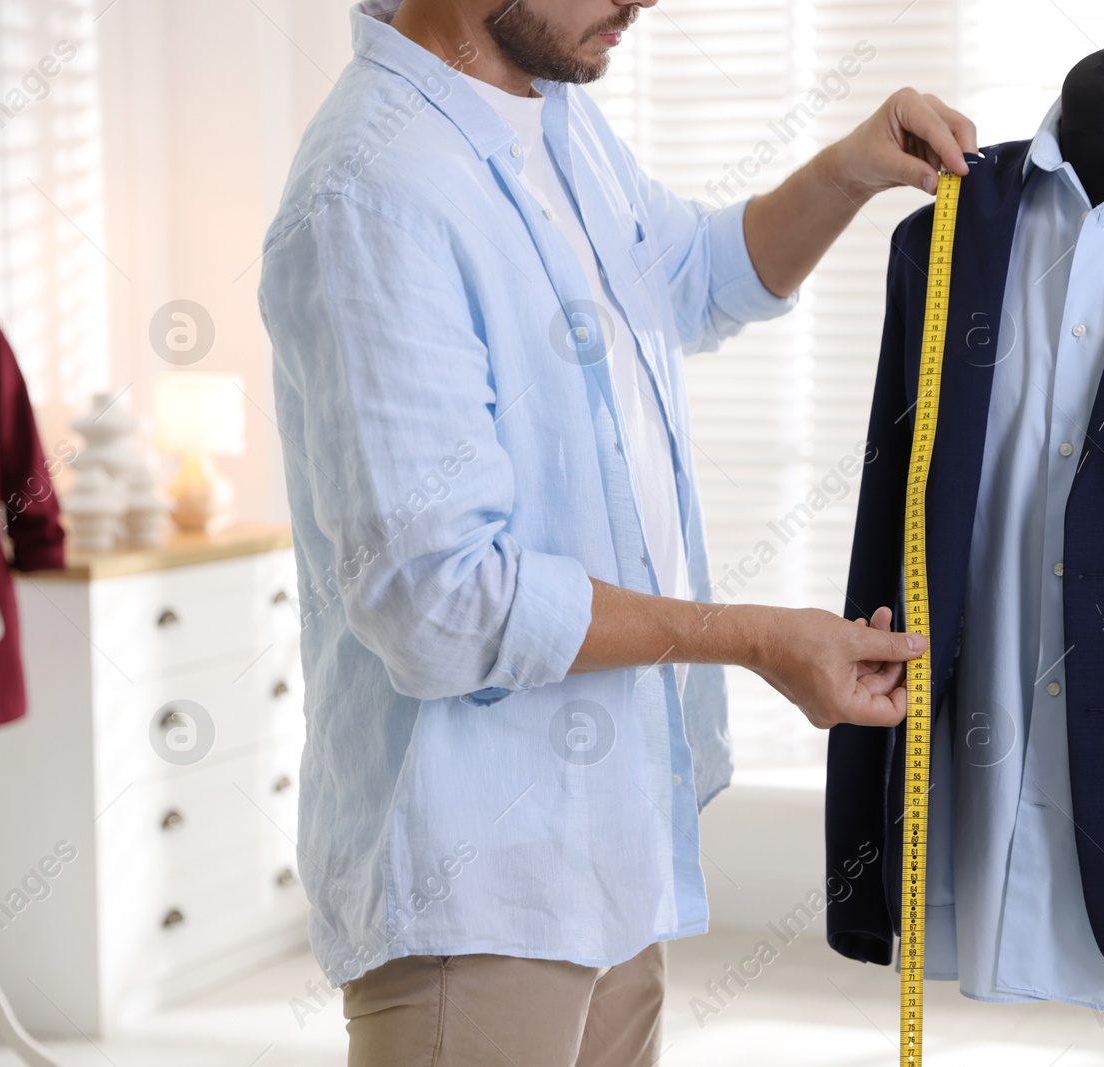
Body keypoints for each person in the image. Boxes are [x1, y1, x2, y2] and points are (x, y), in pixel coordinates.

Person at [257, 1, 975, 1064]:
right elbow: (441, 601)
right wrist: (752, 637)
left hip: (610, 836)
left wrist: (848, 170)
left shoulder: (548, 116)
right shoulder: (372, 193)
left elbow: (686, 280)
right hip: (478, 880)